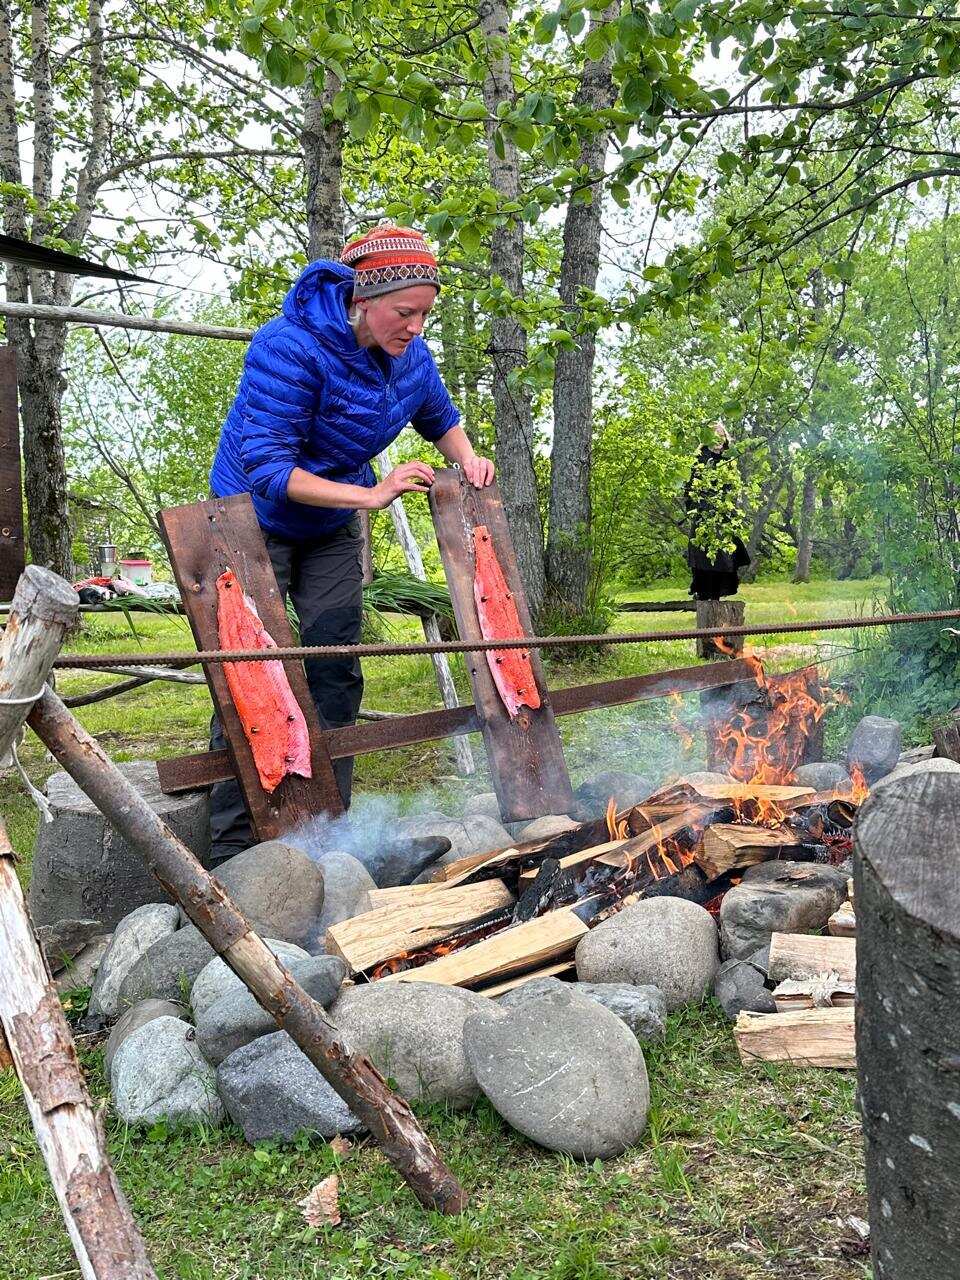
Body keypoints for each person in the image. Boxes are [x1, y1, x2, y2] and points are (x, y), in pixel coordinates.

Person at [207, 225, 494, 861]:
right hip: (252, 519)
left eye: (425, 314)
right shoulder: (289, 348)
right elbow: (269, 471)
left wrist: (468, 458)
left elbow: (438, 415)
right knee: (252, 673)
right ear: (364, 300)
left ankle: (329, 829)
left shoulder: (410, 355)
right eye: (405, 312)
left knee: (336, 660)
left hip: (328, 523)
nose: (416, 327)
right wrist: (370, 495)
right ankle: (233, 846)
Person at [685, 423, 750, 600]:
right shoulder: (700, 457)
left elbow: (733, 485)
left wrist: (730, 506)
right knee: (703, 553)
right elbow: (691, 487)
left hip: (723, 513)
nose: (719, 440)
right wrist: (697, 507)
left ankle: (717, 595)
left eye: (721, 436)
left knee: (725, 555)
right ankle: (703, 593)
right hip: (704, 513)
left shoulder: (728, 458)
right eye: (715, 437)